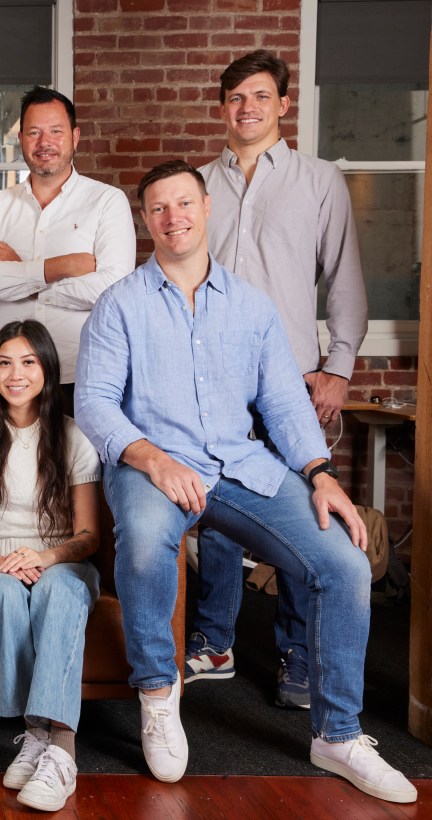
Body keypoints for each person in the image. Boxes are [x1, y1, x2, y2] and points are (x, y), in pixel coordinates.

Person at [74, 160, 415, 803]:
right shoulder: (119, 305)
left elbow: (284, 403)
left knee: (343, 563)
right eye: (159, 208)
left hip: (240, 466)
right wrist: (154, 459)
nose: (173, 217)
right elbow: (93, 402)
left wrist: (320, 474)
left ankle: (338, 735)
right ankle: (158, 694)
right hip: (153, 468)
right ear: (146, 220)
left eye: (184, 203)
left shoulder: (252, 306)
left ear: (207, 208)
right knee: (143, 544)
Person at [191, 50, 368, 708]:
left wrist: (338, 368)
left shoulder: (319, 181)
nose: (248, 108)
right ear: (222, 107)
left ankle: (298, 652)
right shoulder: (198, 183)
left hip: (291, 378)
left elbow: (344, 279)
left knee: (302, 512)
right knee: (216, 507)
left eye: (261, 96)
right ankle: (214, 640)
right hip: (212, 378)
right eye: (236, 97)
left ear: (283, 104)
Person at [0, 320, 100, 812]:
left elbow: (88, 535)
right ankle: (36, 733)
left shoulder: (72, 436)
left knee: (55, 591)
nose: (15, 374)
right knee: (0, 594)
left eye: (28, 362)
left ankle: (62, 750)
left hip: (59, 562)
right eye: (4, 362)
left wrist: (44, 557)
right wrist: (0, 562)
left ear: (47, 368)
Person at [0, 87, 136, 413]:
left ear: (75, 136)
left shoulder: (106, 201)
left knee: (80, 451)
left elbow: (112, 288)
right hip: (13, 380)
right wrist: (62, 266)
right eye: (34, 132)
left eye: (56, 131)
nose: (45, 142)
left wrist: (22, 274)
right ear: (21, 139)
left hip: (84, 375)